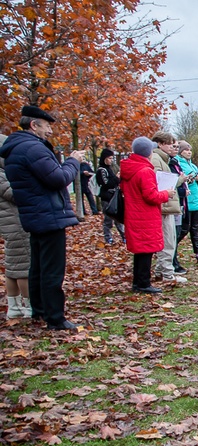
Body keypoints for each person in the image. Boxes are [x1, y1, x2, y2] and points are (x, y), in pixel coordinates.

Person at [0, 105, 85, 331]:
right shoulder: (32, 149)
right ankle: (55, 317)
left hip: (36, 213)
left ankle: (39, 310)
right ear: (33, 125)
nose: (50, 132)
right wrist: (72, 161)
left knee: (37, 266)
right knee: (51, 269)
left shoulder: (17, 148)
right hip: (48, 214)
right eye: (47, 127)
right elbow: (58, 178)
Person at [120, 137, 175, 294]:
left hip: (134, 215)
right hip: (145, 217)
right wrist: (166, 193)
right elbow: (151, 196)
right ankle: (143, 283)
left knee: (140, 251)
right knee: (146, 250)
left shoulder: (130, 169)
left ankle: (139, 281)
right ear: (148, 153)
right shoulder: (145, 171)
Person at [0, 133, 32, 320]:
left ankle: (14, 305)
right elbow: (12, 193)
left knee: (12, 266)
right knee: (23, 267)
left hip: (8, 223)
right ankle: (28, 306)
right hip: (15, 222)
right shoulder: (4, 173)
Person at [149, 131, 187, 284]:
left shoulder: (163, 159)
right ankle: (167, 274)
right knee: (168, 240)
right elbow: (159, 182)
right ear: (160, 144)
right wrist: (179, 180)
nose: (173, 147)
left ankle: (160, 271)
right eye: (170, 143)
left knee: (169, 238)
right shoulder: (157, 159)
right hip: (164, 205)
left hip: (166, 204)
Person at [174, 141, 198, 264]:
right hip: (186, 201)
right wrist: (192, 179)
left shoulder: (193, 166)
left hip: (196, 201)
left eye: (190, 150)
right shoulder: (179, 164)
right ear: (180, 152)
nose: (189, 152)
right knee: (184, 229)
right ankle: (170, 250)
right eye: (186, 150)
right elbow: (181, 181)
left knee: (195, 228)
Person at [96, 148, 126, 245]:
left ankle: (124, 236)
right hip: (107, 198)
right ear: (105, 158)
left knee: (119, 219)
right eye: (109, 158)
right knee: (108, 220)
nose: (111, 160)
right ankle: (108, 238)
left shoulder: (111, 168)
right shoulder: (102, 170)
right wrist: (116, 178)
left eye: (112, 158)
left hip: (115, 197)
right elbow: (106, 184)